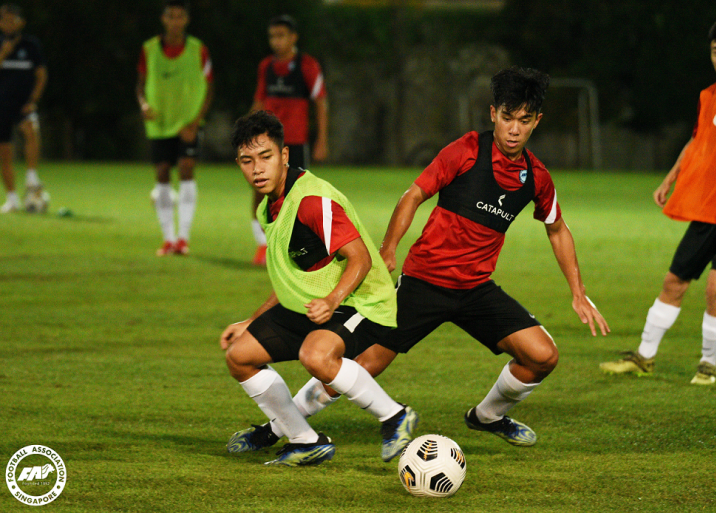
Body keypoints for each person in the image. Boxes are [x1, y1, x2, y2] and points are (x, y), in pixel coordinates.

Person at [240, 66, 610, 452]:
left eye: (524, 120)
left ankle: (486, 416)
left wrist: (578, 291)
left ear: (537, 122)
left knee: (543, 356)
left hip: (475, 290)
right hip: (422, 284)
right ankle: (276, 430)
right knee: (357, 367)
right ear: (492, 114)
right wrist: (389, 246)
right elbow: (413, 195)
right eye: (507, 118)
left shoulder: (536, 177)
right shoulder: (466, 151)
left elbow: (557, 228)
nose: (514, 129)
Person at [220, 111, 418, 467]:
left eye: (266, 157)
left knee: (316, 355)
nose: (257, 169)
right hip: (317, 302)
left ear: (284, 156)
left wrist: (332, 299)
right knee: (239, 355)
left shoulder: (311, 201)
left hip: (362, 300)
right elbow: (290, 278)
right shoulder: (270, 205)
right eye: (247, 161)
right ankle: (304, 440)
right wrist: (251, 321)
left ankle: (394, 416)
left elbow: (361, 258)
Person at [600, 17, 716, 385]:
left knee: (714, 289)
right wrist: (670, 178)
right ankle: (644, 358)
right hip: (709, 211)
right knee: (674, 283)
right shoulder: (709, 97)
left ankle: (707, 365)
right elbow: (697, 142)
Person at [249, 14, 328, 266]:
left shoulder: (307, 65)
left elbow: (321, 102)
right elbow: (259, 102)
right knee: (259, 189)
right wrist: (247, 135)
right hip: (266, 142)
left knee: (294, 194)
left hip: (294, 142)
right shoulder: (266, 67)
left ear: (293, 37)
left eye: (281, 35)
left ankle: (293, 246)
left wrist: (321, 140)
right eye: (273, 36)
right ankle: (263, 245)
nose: (277, 41)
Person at [136, 0, 214, 256]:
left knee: (186, 169)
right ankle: (168, 238)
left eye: (180, 17)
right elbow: (140, 85)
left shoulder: (198, 49)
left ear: (186, 20)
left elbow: (210, 87)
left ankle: (183, 238)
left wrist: (195, 121)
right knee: (161, 174)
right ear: (164, 19)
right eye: (171, 16)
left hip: (187, 124)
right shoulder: (149, 49)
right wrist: (144, 104)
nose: (175, 21)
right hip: (159, 123)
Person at [0, 3, 47, 214]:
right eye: (3, 19)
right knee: (4, 151)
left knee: (31, 129)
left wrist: (33, 99)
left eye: (11, 19)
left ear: (21, 22)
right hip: (1, 105)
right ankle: (11, 199)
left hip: (22, 104)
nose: (7, 24)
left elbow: (41, 75)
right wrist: (2, 54)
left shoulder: (31, 45)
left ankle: (31, 176)